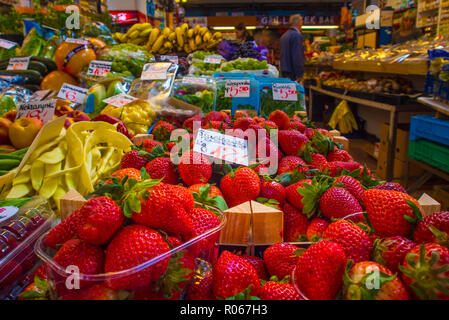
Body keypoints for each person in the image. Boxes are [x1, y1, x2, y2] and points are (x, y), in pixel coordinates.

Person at [280, 14, 305, 83]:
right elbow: (297, 55)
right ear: (299, 22)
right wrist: (299, 74)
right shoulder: (296, 35)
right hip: (292, 72)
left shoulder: (284, 35)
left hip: (285, 70)